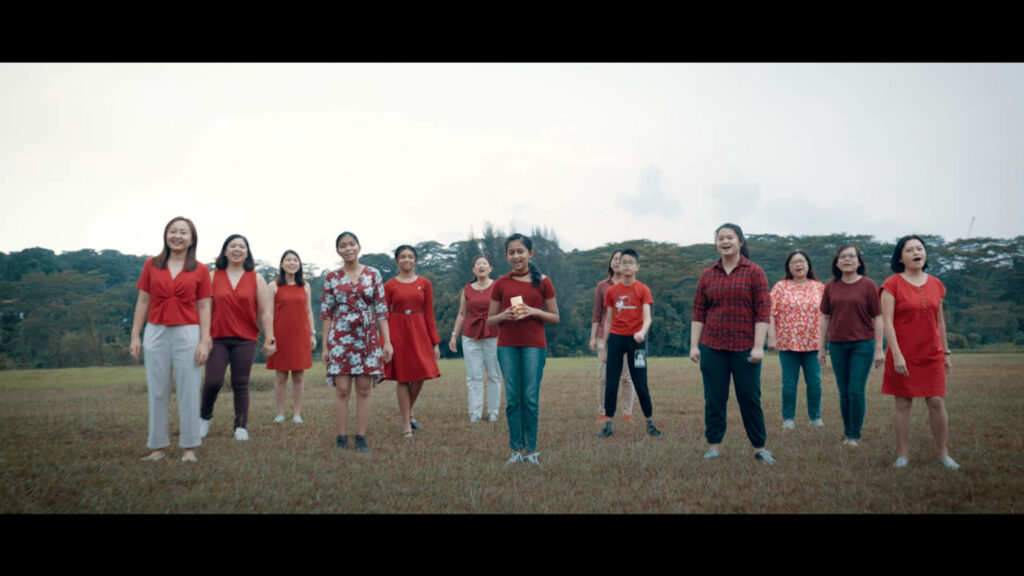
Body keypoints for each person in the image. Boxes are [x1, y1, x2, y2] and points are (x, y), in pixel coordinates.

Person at [690, 223, 775, 464]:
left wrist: (758, 346)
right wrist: (694, 345)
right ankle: (713, 446)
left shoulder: (754, 272)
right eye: (720, 238)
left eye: (730, 237)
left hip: (745, 346)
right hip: (712, 345)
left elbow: (763, 311)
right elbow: (698, 312)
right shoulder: (708, 274)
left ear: (740, 241)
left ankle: (760, 447)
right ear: (716, 243)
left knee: (749, 397)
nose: (725, 242)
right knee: (714, 398)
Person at [129, 216, 212, 463]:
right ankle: (157, 447)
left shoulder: (201, 269)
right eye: (173, 231)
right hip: (156, 331)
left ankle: (189, 448)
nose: (177, 236)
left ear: (192, 239)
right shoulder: (151, 265)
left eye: (183, 232)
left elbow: (204, 306)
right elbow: (143, 300)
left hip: (188, 332)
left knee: (189, 390)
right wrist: (135, 335)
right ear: (166, 235)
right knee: (158, 391)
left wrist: (204, 340)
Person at [881, 235, 959, 470]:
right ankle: (903, 455)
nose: (916, 253)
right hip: (903, 353)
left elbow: (940, 321)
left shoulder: (936, 284)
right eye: (910, 250)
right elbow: (887, 322)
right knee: (903, 402)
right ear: (900, 257)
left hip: (932, 353)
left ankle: (943, 454)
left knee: (936, 400)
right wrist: (897, 354)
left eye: (920, 248)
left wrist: (946, 352)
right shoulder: (891, 284)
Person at [488, 233, 559, 466]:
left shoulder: (544, 281)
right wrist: (504, 315)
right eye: (512, 252)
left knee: (530, 398)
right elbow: (490, 321)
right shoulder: (501, 283)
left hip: (534, 346)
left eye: (520, 251)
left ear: (530, 254)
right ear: (506, 256)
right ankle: (516, 449)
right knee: (513, 399)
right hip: (507, 345)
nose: (516, 256)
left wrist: (533, 311)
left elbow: (555, 317)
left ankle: (531, 450)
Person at [199, 234, 276, 441]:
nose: (237, 249)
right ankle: (204, 417)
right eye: (232, 246)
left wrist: (270, 339)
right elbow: (204, 308)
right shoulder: (213, 276)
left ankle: (241, 426)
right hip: (217, 338)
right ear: (225, 251)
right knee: (213, 381)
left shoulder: (256, 278)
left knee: (240, 383)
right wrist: (204, 337)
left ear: (247, 252)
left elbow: (266, 312)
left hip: (245, 339)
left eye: (242, 246)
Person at [321, 232, 393, 453]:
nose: (348, 249)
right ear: (338, 251)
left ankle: (361, 436)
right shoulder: (332, 278)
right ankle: (341, 437)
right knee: (342, 389)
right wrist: (325, 346)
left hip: (367, 337)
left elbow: (381, 309)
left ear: (359, 247)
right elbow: (327, 313)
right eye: (343, 246)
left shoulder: (373, 274)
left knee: (364, 389)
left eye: (352, 244)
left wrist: (387, 342)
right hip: (340, 338)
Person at [819, 244, 884, 447]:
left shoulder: (868, 285)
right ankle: (848, 433)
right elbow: (825, 317)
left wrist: (879, 349)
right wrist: (821, 348)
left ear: (859, 262)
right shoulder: (831, 287)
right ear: (837, 263)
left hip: (862, 345)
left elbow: (878, 317)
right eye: (842, 257)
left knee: (856, 390)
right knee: (844, 391)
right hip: (837, 345)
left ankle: (855, 435)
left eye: (851, 256)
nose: (847, 260)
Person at [597, 249, 661, 439]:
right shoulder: (612, 291)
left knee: (640, 383)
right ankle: (608, 425)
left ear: (637, 267)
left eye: (630, 262)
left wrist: (642, 332)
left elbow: (647, 318)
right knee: (611, 383)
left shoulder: (643, 289)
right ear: (618, 265)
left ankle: (650, 423)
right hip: (616, 340)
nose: (626, 265)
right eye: (623, 262)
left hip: (636, 342)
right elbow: (608, 320)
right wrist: (604, 346)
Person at [384, 245, 441, 438]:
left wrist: (434, 341)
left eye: (410, 256)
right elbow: (383, 315)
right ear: (397, 261)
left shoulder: (425, 283)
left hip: (420, 332)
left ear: (415, 260)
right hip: (397, 333)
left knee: (420, 373)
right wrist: (385, 342)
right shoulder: (389, 285)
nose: (406, 260)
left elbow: (429, 313)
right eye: (402, 257)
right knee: (402, 377)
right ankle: (406, 422)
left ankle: (409, 411)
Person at [768, 250, 826, 430]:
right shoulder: (780, 287)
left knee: (814, 381)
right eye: (794, 262)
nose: (799, 265)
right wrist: (772, 338)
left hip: (814, 342)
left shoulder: (819, 287)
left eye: (802, 261)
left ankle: (815, 417)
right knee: (789, 382)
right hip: (787, 341)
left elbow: (827, 315)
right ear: (788, 267)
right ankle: (788, 419)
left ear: (808, 265)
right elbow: (771, 313)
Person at [449, 254, 502, 423]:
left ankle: (493, 412)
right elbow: (461, 314)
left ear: (490, 268)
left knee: (493, 375)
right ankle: (475, 413)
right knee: (474, 376)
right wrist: (454, 335)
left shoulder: (497, 286)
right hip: (470, 335)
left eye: (484, 263)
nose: (481, 266)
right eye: (478, 264)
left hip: (493, 334)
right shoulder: (467, 289)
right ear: (473, 269)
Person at [268, 250, 316, 425]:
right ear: (282, 264)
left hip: (300, 334)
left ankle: (297, 413)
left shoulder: (305, 286)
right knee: (281, 376)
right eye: (288, 260)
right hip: (280, 335)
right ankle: (280, 413)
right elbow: (268, 312)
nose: (292, 263)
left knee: (299, 376)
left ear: (299, 264)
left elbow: (309, 311)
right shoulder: (273, 286)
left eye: (295, 260)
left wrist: (312, 333)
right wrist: (269, 338)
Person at [589, 250, 636, 424]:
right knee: (604, 376)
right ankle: (603, 412)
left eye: (621, 260)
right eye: (615, 259)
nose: (617, 262)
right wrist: (593, 338)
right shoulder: (602, 286)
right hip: (605, 336)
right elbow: (597, 314)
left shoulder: (633, 286)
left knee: (627, 377)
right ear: (610, 263)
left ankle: (627, 413)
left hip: (628, 336)